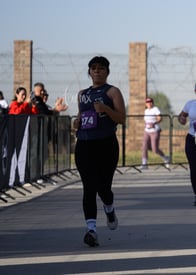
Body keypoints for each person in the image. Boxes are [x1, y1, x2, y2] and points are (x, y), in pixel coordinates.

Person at [73, 56, 126, 247]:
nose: (97, 71)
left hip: (106, 144)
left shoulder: (112, 92)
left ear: (107, 72)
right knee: (89, 187)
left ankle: (109, 208)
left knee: (104, 188)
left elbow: (122, 118)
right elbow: (81, 117)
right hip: (85, 144)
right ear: (89, 72)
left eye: (101, 68)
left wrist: (105, 109)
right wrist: (76, 123)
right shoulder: (82, 94)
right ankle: (92, 230)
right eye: (93, 68)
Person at [140, 97, 170, 169]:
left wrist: (154, 123)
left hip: (155, 130)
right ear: (145, 104)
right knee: (144, 146)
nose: (149, 103)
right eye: (147, 102)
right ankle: (144, 163)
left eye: (150, 102)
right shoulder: (146, 111)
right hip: (147, 131)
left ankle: (166, 158)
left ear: (152, 103)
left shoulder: (155, 109)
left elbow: (160, 118)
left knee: (154, 149)